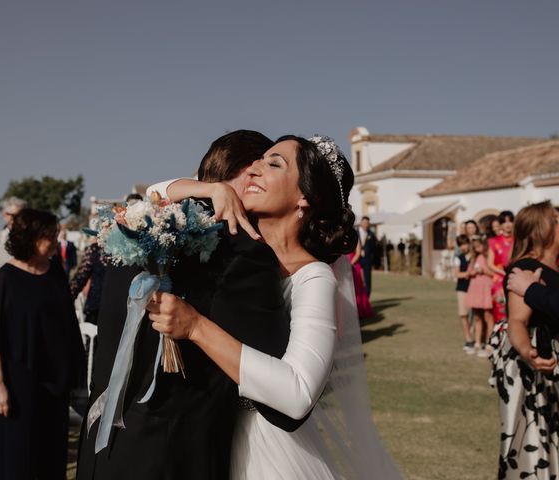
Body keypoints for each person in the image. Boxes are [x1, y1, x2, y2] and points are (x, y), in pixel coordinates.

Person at [147, 136, 399, 478]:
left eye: (273, 163)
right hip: (205, 441)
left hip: (266, 455)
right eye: (259, 160)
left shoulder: (313, 279)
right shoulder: (234, 247)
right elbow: (151, 197)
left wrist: (195, 327)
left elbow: (298, 393)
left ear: (306, 198)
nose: (254, 168)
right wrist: (211, 190)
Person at [77, 130, 296, 480]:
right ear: (247, 172)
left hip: (100, 447)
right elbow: (268, 373)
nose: (261, 180)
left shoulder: (134, 226)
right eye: (260, 169)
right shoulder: (246, 252)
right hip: (173, 455)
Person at [0, 208, 86, 480]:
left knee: (50, 457)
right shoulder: (6, 277)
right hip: (17, 384)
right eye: (50, 235)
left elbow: (67, 325)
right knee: (18, 459)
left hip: (54, 382)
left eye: (56, 234)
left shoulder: (56, 272)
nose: (55, 239)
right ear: (30, 236)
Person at [489, 201, 559, 479]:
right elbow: (516, 322)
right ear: (545, 229)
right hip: (546, 373)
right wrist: (527, 351)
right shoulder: (527, 268)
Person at [0, 196, 26, 298]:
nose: (17, 219)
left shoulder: (36, 241)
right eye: (13, 215)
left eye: (21, 215)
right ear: (4, 215)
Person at [465, 236, 494, 357]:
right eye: (475, 247)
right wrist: (472, 272)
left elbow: (494, 273)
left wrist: (484, 271)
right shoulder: (474, 258)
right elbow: (468, 273)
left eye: (479, 246)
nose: (477, 249)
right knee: (477, 317)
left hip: (486, 287)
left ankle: (489, 343)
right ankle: (477, 342)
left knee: (488, 316)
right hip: (476, 288)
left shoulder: (489, 256)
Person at [70, 237, 107, 324]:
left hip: (116, 308)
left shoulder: (128, 250)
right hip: (96, 306)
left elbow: (79, 279)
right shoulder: (96, 249)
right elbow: (79, 280)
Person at [488, 211, 515, 323]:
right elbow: (490, 263)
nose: (508, 224)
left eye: (510, 221)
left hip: (516, 278)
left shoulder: (519, 240)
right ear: (500, 225)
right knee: (500, 313)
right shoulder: (494, 241)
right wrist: (503, 272)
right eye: (504, 222)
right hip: (499, 281)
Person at [454, 234, 473, 353]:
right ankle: (468, 339)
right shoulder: (458, 258)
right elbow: (457, 274)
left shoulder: (475, 256)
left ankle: (477, 338)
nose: (464, 247)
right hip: (462, 289)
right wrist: (467, 274)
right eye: (461, 245)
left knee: (476, 315)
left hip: (475, 288)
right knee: (464, 314)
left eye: (465, 244)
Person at [348, 238, 374, 319]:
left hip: (353, 265)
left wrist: (350, 264)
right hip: (343, 267)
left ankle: (359, 311)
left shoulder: (355, 238)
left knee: (357, 288)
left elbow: (358, 253)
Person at [358, 215, 376, 297]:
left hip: (367, 260)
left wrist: (372, 259)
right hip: (356, 259)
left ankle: (367, 298)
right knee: (356, 279)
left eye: (367, 223)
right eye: (364, 222)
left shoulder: (371, 234)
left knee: (368, 280)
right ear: (361, 223)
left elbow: (374, 248)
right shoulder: (355, 233)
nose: (366, 224)